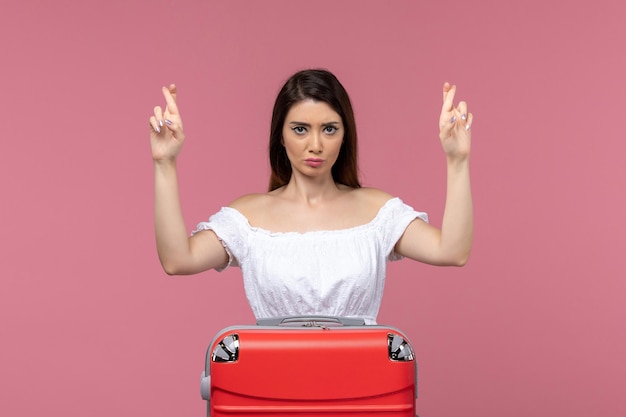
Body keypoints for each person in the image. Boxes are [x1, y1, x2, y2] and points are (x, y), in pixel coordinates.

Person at [149, 69, 473, 324]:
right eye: (300, 129)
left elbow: (452, 251)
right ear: (281, 137)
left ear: (345, 136)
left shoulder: (377, 210)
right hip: (274, 391)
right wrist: (165, 163)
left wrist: (457, 161)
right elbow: (178, 260)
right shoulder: (249, 216)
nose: (315, 145)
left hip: (363, 388)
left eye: (329, 129)